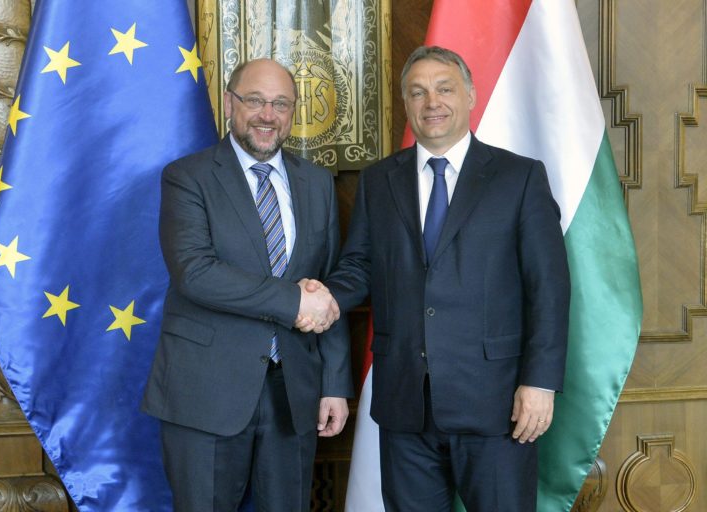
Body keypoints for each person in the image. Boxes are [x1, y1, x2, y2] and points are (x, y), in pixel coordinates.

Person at [309, 46, 570, 511]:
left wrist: (540, 382)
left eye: (444, 89)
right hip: (405, 403)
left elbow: (548, 288)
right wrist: (321, 297)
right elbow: (360, 265)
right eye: (418, 92)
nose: (432, 102)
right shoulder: (378, 181)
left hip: (497, 403)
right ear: (406, 103)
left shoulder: (519, 177)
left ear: (470, 95)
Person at [142, 58, 352, 512]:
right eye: (255, 100)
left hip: (293, 393)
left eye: (281, 104)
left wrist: (334, 383)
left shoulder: (317, 183)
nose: (267, 115)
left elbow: (326, 288)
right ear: (229, 103)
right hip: (206, 392)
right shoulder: (187, 177)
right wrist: (293, 300)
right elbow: (195, 272)